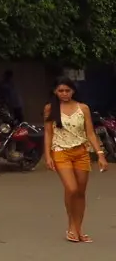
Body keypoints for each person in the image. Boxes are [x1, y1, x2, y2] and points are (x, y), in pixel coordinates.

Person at [44, 77, 107, 243]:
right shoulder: (50, 108)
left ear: (73, 91)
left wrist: (100, 154)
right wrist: (48, 155)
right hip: (60, 152)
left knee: (80, 192)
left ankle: (78, 229)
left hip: (81, 152)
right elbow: (48, 133)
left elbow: (90, 133)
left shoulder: (83, 108)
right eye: (60, 91)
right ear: (55, 92)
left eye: (67, 90)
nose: (64, 94)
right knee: (71, 189)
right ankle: (71, 225)